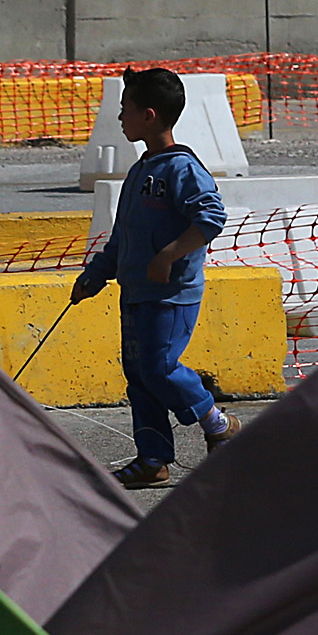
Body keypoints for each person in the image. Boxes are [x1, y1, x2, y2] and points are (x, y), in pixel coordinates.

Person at [69, 68, 232, 490]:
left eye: (126, 111)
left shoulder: (182, 168)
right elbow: (122, 239)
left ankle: (218, 424)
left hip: (171, 294)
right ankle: (153, 457)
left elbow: (211, 218)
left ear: (150, 116)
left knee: (160, 368)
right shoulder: (141, 170)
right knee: (139, 374)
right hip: (136, 293)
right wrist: (95, 276)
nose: (120, 118)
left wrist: (170, 254)